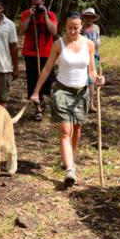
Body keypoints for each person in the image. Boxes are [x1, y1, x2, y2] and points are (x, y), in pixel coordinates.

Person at [29, 11, 105, 187]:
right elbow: (47, 69)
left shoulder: (89, 44)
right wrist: (36, 91)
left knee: (77, 129)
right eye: (69, 28)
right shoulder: (58, 44)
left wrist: (98, 79)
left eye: (76, 28)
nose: (72, 31)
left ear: (82, 27)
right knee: (65, 130)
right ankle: (70, 169)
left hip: (81, 92)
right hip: (62, 91)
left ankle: (69, 157)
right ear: (65, 27)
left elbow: (92, 71)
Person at [19, 0, 58, 121]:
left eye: (39, 4)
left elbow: (54, 31)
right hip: (30, 53)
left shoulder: (50, 14)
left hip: (47, 53)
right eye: (34, 4)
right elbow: (21, 31)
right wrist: (30, 16)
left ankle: (42, 101)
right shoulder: (26, 13)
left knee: (46, 82)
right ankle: (38, 108)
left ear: (43, 2)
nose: (37, 7)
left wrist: (45, 15)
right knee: (34, 80)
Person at [81, 7, 101, 112]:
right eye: (87, 17)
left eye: (91, 17)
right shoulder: (80, 28)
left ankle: (90, 104)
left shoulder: (97, 28)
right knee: (82, 80)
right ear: (84, 18)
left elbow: (98, 41)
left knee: (91, 81)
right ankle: (81, 104)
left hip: (94, 57)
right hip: (82, 57)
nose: (89, 19)